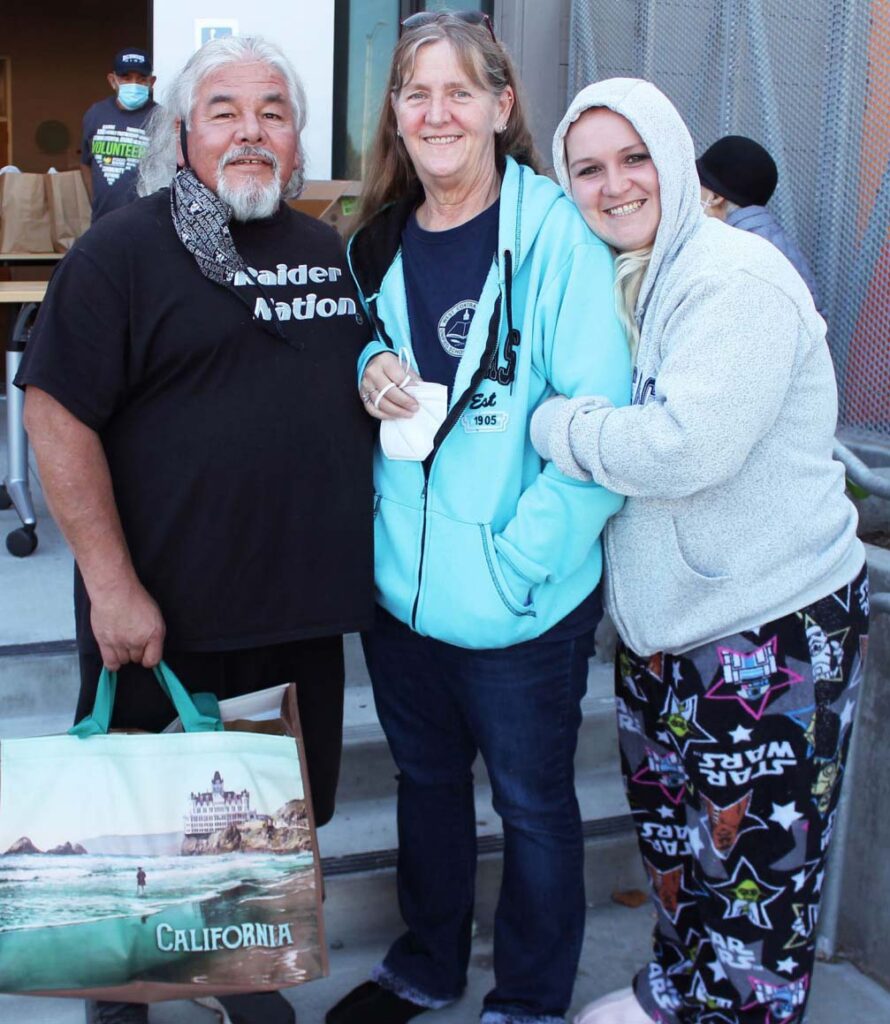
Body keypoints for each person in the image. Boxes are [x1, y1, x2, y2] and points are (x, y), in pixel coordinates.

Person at [17, 35, 374, 1024]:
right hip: (164, 610)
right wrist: (110, 583)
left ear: (297, 138)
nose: (250, 130)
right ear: (181, 134)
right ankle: (119, 995)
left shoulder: (322, 251)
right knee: (135, 824)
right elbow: (54, 410)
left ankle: (238, 975)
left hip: (295, 606)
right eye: (224, 110)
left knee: (266, 821)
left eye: (273, 110)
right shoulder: (121, 251)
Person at [532, 78, 868, 1024]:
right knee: (681, 853)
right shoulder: (629, 275)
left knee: (757, 879)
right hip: (668, 627)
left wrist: (559, 423)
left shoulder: (734, 276)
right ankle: (683, 993)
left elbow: (687, 447)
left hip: (768, 625)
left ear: (676, 160)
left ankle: (738, 1010)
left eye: (634, 157)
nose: (614, 185)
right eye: (587, 168)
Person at [326, 12, 630, 1024]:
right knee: (423, 784)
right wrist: (361, 363)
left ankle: (531, 996)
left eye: (461, 89)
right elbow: (351, 358)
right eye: (416, 91)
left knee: (534, 807)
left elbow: (600, 432)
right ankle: (424, 964)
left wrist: (516, 565)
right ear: (396, 117)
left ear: (502, 107)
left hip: (521, 599)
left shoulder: (558, 242)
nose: (436, 110)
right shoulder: (372, 242)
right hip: (402, 593)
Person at [696, 134, 824, 316]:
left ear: (716, 198)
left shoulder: (742, 251)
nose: (691, 193)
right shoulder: (763, 235)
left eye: (696, 185)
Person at [80, 47, 157, 220]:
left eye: (141, 79)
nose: (133, 84)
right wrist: (95, 201)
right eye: (126, 78)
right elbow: (85, 163)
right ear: (113, 80)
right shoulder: (95, 114)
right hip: (103, 220)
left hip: (146, 222)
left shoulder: (161, 118)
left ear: (151, 82)